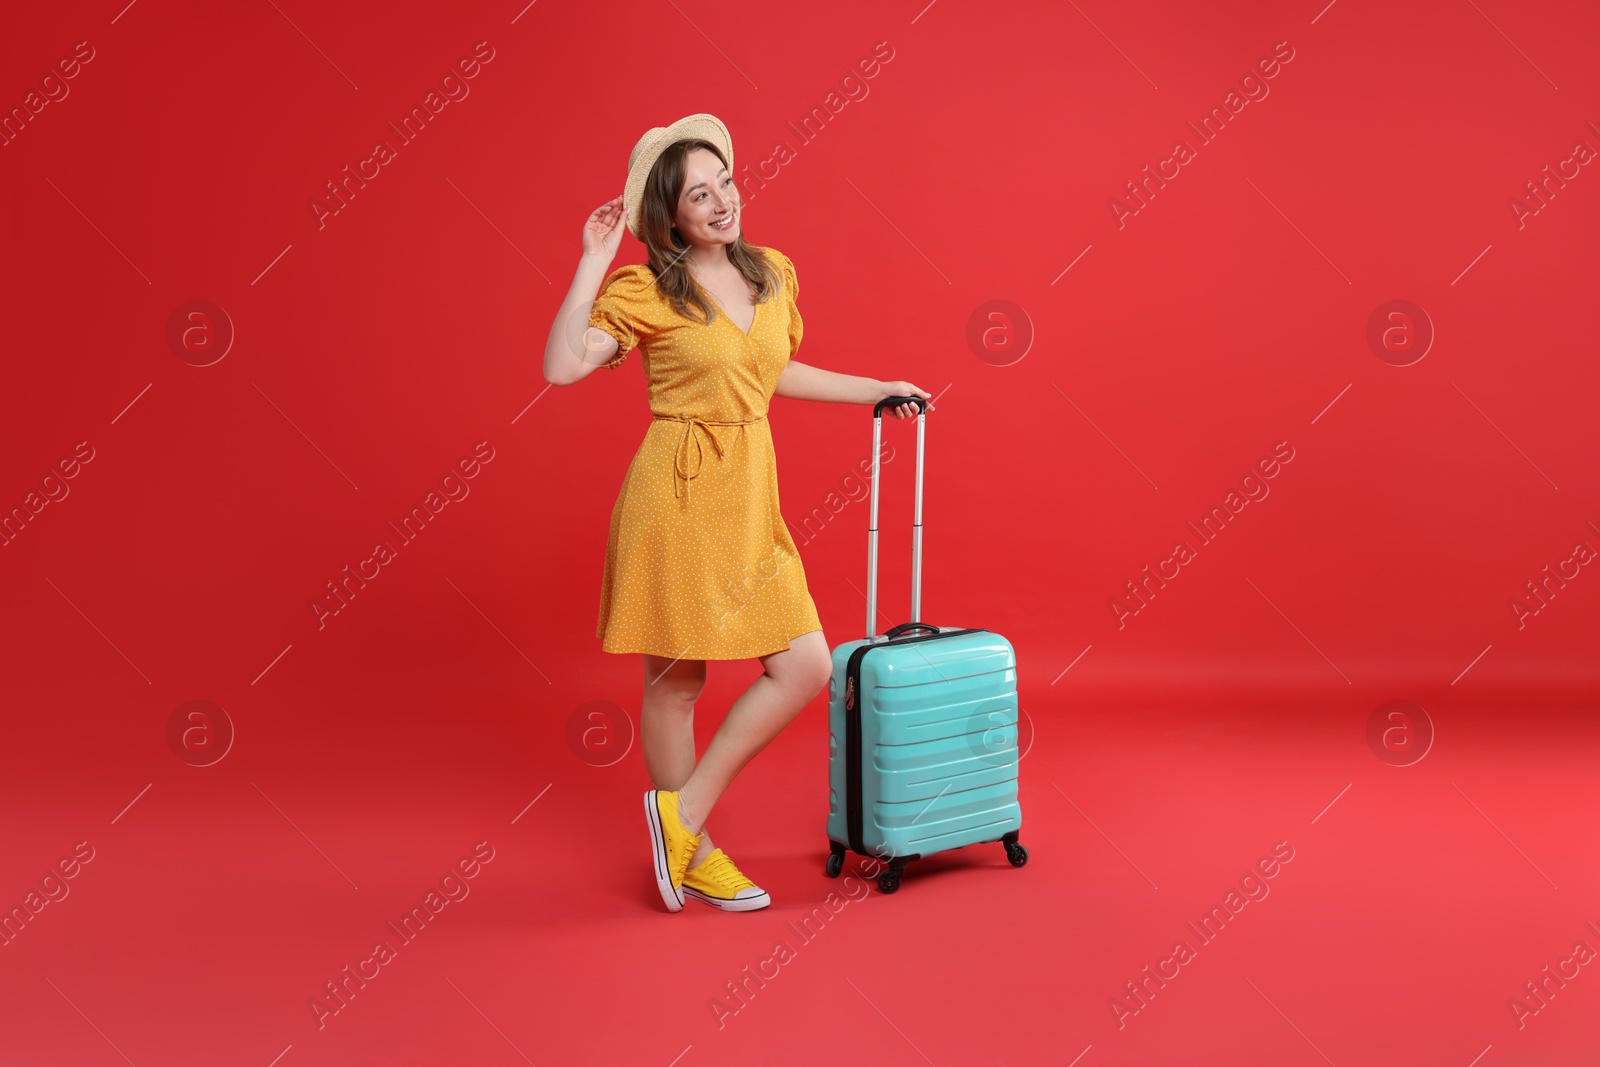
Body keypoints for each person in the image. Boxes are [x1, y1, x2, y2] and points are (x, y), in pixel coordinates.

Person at [542, 114, 932, 913]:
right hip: (676, 494)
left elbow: (770, 374)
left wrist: (875, 386)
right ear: (670, 216)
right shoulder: (646, 290)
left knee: (807, 665)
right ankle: (697, 851)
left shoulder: (771, 271)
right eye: (698, 194)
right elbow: (561, 367)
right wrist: (590, 262)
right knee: (677, 683)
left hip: (750, 490)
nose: (722, 201)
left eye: (725, 181)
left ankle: (678, 816)